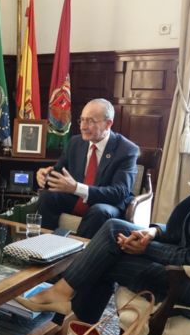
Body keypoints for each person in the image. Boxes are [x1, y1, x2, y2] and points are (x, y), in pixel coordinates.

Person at [17, 110, 190, 335]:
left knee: (104, 256)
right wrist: (152, 233)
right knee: (113, 229)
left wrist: (146, 248)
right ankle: (66, 306)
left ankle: (65, 304)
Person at [35, 98, 139, 237]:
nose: (83, 126)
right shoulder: (75, 143)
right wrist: (45, 175)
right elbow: (59, 172)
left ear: (108, 124)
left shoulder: (126, 150)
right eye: (82, 120)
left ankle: (79, 253)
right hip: (76, 198)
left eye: (90, 121)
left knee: (99, 211)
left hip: (107, 203)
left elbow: (119, 192)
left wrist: (76, 188)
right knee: (47, 197)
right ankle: (44, 244)